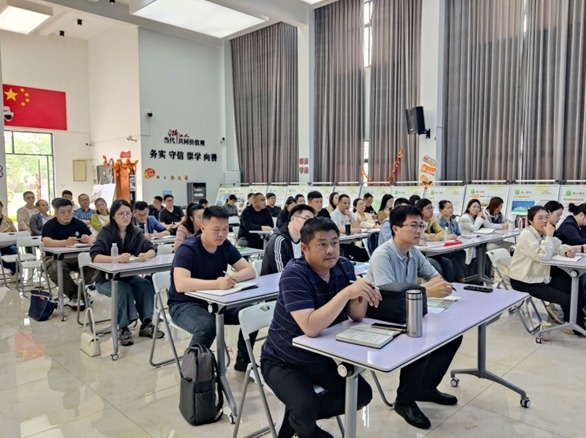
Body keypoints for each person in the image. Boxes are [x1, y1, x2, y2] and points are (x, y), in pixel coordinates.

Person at [261, 217, 379, 437]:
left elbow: (356, 316)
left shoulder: (343, 266)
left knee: (361, 394)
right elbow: (310, 327)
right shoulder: (294, 274)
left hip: (322, 357)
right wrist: (346, 293)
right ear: (304, 248)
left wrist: (361, 293)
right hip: (283, 360)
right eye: (322, 244)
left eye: (334, 243)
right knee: (305, 409)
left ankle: (295, 418)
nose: (331, 250)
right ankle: (301, 416)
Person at [366, 205, 462, 429]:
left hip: (408, 309)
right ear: (395, 229)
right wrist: (426, 290)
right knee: (420, 339)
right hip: (381, 316)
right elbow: (389, 297)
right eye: (413, 225)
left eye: (421, 225)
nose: (419, 230)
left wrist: (424, 289)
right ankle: (404, 402)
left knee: (452, 336)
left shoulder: (414, 252)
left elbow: (436, 278)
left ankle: (425, 388)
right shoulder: (383, 255)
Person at [168, 206, 257, 371]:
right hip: (184, 304)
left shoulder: (225, 245)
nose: (221, 234)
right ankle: (192, 374)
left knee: (252, 313)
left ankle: (243, 360)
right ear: (203, 228)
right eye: (216, 230)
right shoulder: (188, 249)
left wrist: (231, 279)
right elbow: (181, 284)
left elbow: (250, 271)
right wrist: (217, 284)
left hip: (216, 301)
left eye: (225, 229)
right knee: (207, 327)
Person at [90, 199, 163, 346]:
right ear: (113, 216)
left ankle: (147, 323)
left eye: (128, 213)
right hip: (106, 279)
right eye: (121, 214)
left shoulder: (135, 231)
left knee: (145, 285)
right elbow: (95, 256)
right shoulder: (106, 232)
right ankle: (123, 328)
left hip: (127, 276)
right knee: (123, 290)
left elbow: (151, 248)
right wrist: (116, 258)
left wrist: (146, 255)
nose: (125, 217)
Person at [509, 205, 586, 333]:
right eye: (540, 218)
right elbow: (543, 256)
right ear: (530, 221)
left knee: (572, 284)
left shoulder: (543, 233)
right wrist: (549, 236)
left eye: (546, 217)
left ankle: (577, 320)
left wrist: (566, 251)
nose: (544, 221)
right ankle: (575, 327)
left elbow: (558, 245)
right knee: (567, 299)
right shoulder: (527, 235)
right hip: (524, 280)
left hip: (541, 277)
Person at [42, 198, 96, 309]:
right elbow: (46, 241)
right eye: (63, 212)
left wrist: (88, 239)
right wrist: (65, 242)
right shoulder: (49, 225)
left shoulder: (77, 223)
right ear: (56, 213)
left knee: (94, 264)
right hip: (54, 258)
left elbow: (92, 237)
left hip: (76, 257)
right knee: (56, 269)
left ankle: (79, 294)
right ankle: (78, 296)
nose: (67, 215)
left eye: (69, 211)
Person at [261, 204, 315, 275]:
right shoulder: (278, 240)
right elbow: (282, 274)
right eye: (306, 219)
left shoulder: (305, 240)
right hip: (277, 280)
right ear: (293, 218)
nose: (309, 224)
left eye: (312, 221)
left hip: (298, 278)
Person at [459, 199, 507, 264]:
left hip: (477, 242)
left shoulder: (476, 216)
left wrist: (483, 218)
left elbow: (488, 225)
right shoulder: (465, 218)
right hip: (468, 245)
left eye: (478, 207)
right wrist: (479, 217)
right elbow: (474, 228)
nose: (476, 209)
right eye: (474, 207)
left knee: (486, 253)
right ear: (468, 208)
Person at [330, 194, 369, 262]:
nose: (347, 205)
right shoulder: (334, 214)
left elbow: (358, 228)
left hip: (350, 243)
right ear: (339, 203)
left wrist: (350, 217)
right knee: (346, 259)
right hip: (340, 245)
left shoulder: (350, 213)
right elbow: (338, 229)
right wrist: (354, 230)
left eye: (349, 203)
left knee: (365, 255)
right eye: (345, 203)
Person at [436, 200, 467, 282]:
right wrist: (448, 237)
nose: (451, 210)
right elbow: (438, 237)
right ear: (441, 210)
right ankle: (461, 279)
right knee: (455, 255)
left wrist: (456, 237)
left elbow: (459, 234)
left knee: (462, 252)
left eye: (451, 207)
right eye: (448, 208)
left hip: (454, 246)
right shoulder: (438, 223)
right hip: (443, 249)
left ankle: (460, 277)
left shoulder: (454, 222)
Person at [0, 200, 18, 277]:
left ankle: (16, 272)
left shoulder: (8, 221)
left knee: (14, 250)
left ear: (2, 207)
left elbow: (15, 234)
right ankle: (13, 269)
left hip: (8, 244)